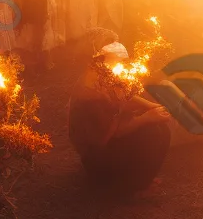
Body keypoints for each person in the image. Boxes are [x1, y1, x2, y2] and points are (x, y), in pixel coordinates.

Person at [68, 42, 172, 190]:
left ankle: (140, 179)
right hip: (98, 159)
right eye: (118, 61)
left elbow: (122, 96)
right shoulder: (91, 93)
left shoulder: (101, 76)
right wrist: (146, 117)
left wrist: (149, 106)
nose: (122, 65)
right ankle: (130, 188)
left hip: (105, 144)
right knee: (153, 135)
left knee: (159, 129)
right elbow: (112, 132)